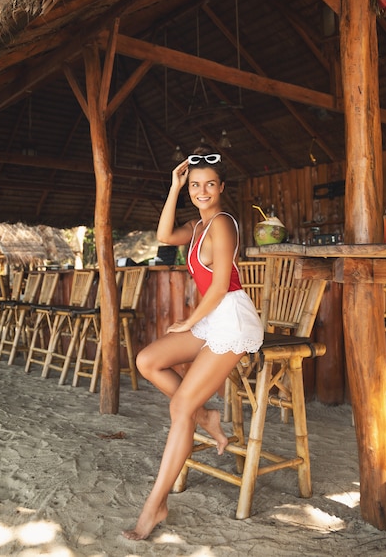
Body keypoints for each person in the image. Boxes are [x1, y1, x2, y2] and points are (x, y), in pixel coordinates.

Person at [122, 145, 264, 541]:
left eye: (209, 185)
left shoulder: (222, 223)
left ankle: (155, 505)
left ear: (221, 187)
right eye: (195, 185)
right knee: (148, 360)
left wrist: (189, 320)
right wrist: (173, 186)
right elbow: (164, 235)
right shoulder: (197, 225)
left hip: (231, 318)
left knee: (179, 404)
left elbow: (219, 286)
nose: (202, 191)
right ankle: (207, 418)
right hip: (212, 315)